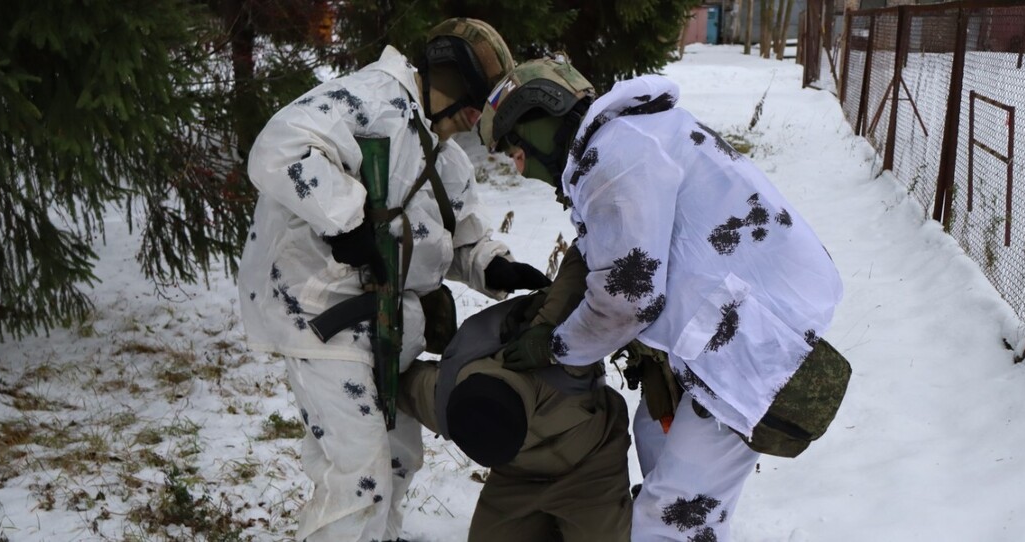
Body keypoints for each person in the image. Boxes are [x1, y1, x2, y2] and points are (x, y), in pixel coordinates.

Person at [479, 57, 844, 541]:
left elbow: (629, 297)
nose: (517, 165)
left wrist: (556, 346)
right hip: (735, 326)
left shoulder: (616, 156)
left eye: (514, 147)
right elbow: (613, 258)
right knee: (656, 432)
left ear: (540, 117)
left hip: (755, 351)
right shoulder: (632, 136)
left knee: (669, 515)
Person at [237, 19, 550, 542]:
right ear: (450, 75)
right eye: (476, 97)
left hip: (388, 326)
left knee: (398, 459)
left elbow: (453, 236)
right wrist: (346, 219)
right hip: (323, 316)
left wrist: (491, 264)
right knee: (360, 480)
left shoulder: (444, 154)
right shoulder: (369, 100)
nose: (477, 114)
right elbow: (278, 150)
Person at [397, 245, 632, 542]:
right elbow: (401, 383)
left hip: (592, 471)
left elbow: (593, 252)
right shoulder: (446, 400)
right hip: (515, 480)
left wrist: (554, 338)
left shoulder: (556, 344)